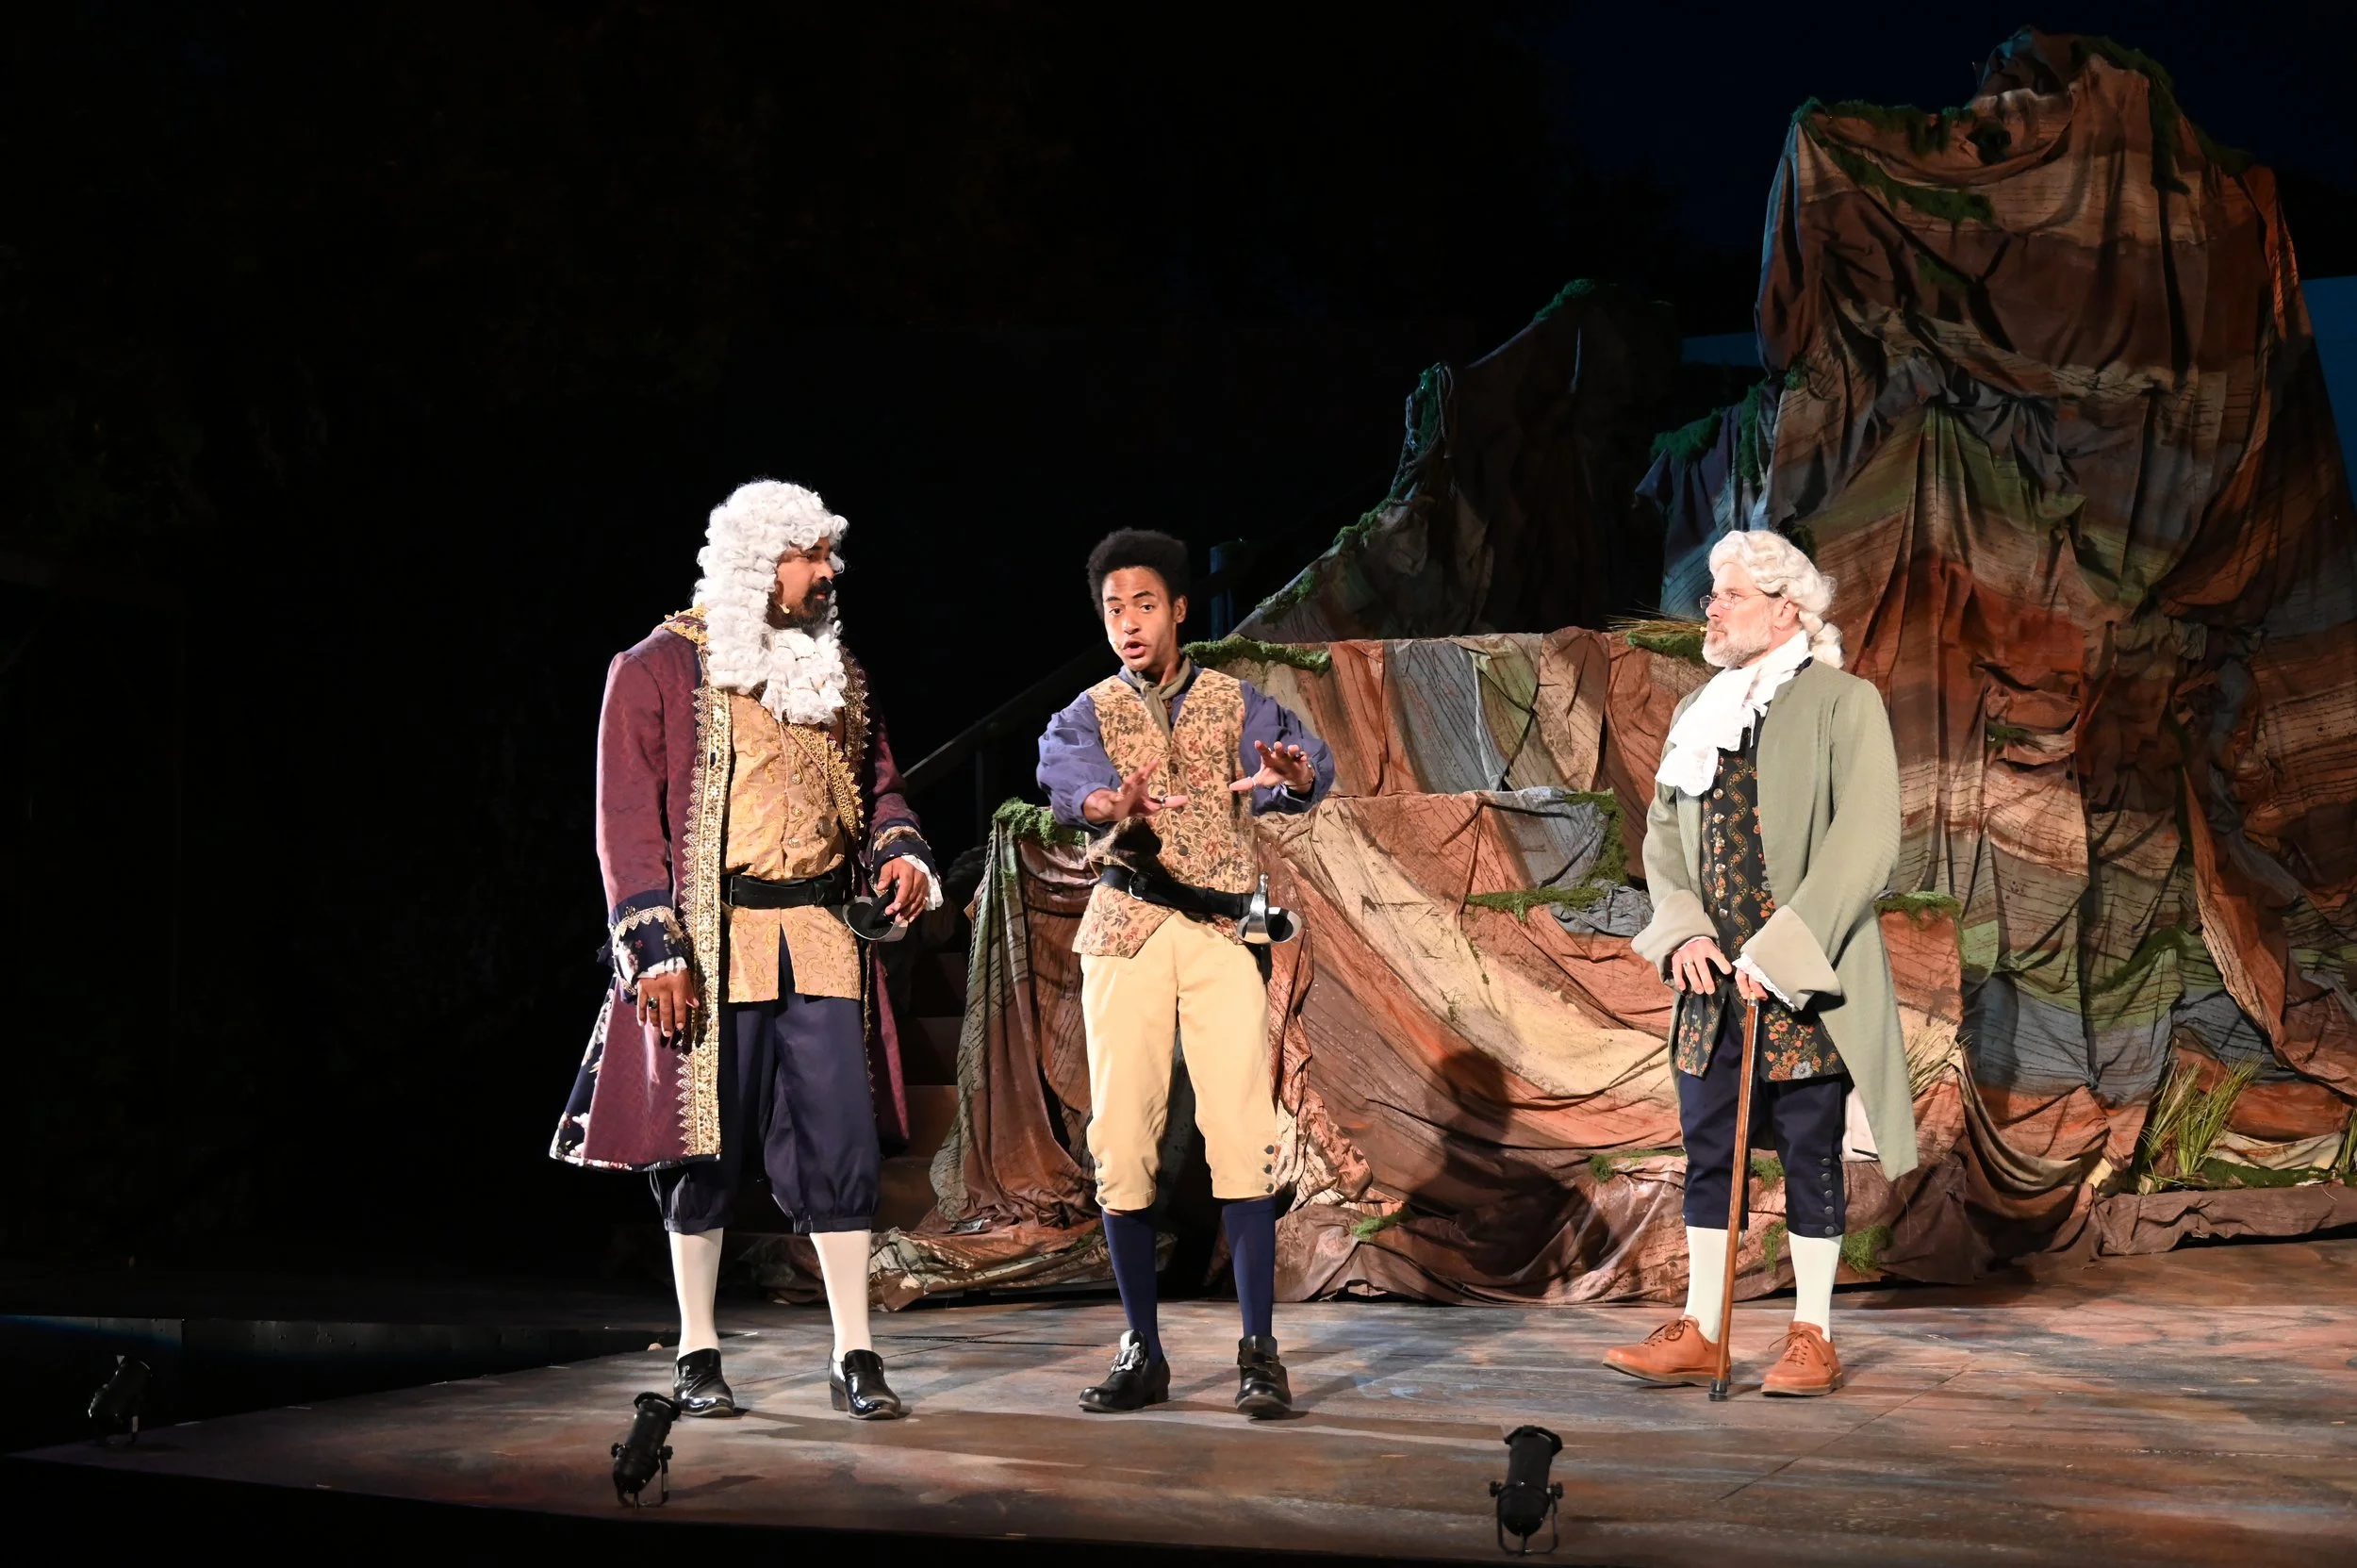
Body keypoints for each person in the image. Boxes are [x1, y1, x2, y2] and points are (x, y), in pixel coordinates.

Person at [551, 479, 941, 1422]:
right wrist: (654, 947)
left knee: (841, 1145)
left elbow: (878, 788)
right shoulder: (654, 667)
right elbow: (624, 824)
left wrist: (904, 853)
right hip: (710, 942)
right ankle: (697, 1348)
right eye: (809, 555)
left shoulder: (839, 673)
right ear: (764, 565)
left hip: (820, 938)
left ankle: (855, 1350)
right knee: (701, 1148)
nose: (826, 572)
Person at [1607, 529, 1918, 1397]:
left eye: (1730, 594)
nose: (1712, 607)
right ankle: (1703, 1329)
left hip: (1802, 978)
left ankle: (1812, 1333)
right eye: (1712, 593)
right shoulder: (1696, 711)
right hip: (1712, 977)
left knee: (1810, 1153)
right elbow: (1665, 835)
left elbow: (1865, 842)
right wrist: (1685, 932)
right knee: (1712, 1148)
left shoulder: (1843, 703)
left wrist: (1781, 951)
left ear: (1786, 607)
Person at [1035, 528, 1335, 1419]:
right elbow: (1070, 779)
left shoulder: (1237, 701)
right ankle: (1143, 1346)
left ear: (1177, 609)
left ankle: (1258, 1351)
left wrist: (1292, 775)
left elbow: (1299, 767)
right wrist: (1108, 802)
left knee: (1242, 1134)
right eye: (1112, 608)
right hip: (1127, 925)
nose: (1127, 623)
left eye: (1142, 605)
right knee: (1122, 1140)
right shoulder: (1084, 712)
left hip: (1218, 931)